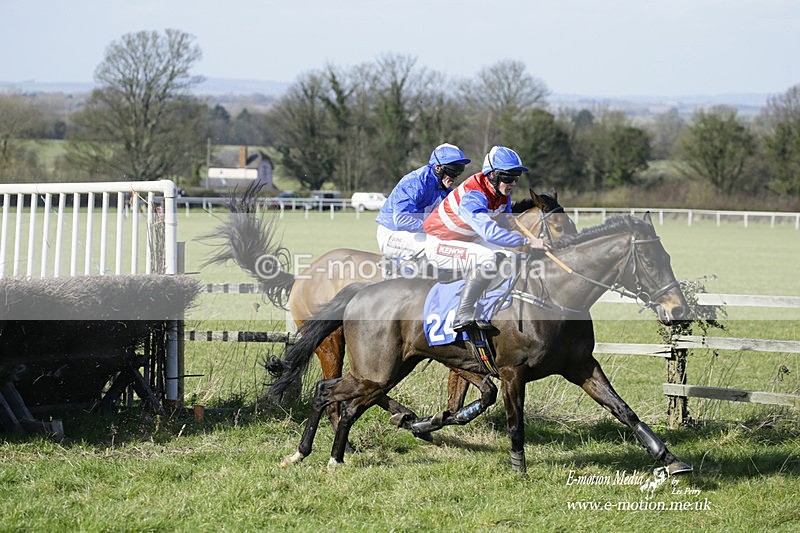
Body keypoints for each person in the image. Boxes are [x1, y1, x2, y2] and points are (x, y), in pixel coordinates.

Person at [423, 145, 546, 331]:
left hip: (466, 239)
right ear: (493, 175)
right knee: (487, 258)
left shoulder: (501, 193)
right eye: (508, 177)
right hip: (440, 242)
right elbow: (490, 233)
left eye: (516, 178)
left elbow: (505, 222)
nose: (513, 183)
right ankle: (463, 313)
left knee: (511, 256)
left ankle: (492, 304)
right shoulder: (473, 195)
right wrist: (527, 241)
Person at [375, 143, 471, 260]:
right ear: (438, 168)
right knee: (435, 249)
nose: (455, 177)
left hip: (416, 235)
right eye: (452, 171)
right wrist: (435, 229)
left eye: (459, 171)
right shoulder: (415, 182)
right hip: (392, 234)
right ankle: (397, 267)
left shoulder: (444, 188)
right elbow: (401, 219)